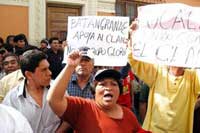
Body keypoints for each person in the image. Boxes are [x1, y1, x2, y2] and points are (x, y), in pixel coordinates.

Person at [47, 50, 150, 133]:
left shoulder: (128, 115)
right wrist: (70, 66)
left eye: (113, 84)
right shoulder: (82, 107)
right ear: (94, 90)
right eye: (102, 84)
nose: (108, 88)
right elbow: (53, 100)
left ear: (119, 91)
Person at [128, 21, 200, 133]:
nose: (178, 54)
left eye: (182, 50)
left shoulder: (193, 78)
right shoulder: (157, 72)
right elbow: (135, 59)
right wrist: (134, 35)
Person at [2, 49, 66, 132]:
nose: (49, 73)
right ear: (29, 74)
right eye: (44, 70)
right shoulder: (12, 98)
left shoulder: (58, 88)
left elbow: (69, 118)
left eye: (48, 68)